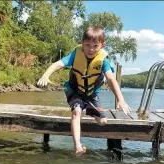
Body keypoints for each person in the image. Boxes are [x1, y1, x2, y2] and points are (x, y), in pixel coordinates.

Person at [37, 25, 131, 156]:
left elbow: (110, 79)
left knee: (103, 122)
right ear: (82, 43)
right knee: (76, 112)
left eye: (95, 46)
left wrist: (120, 99)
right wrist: (46, 75)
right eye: (87, 45)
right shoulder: (76, 54)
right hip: (74, 91)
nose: (91, 49)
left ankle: (90, 110)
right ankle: (77, 146)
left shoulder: (104, 60)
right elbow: (57, 64)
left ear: (102, 45)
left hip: (91, 95)